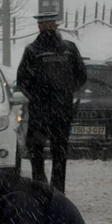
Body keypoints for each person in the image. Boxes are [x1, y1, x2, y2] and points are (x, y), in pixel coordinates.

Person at [17, 12, 87, 193]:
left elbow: (22, 82)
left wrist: (37, 97)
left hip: (40, 114)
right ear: (56, 25)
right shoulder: (69, 49)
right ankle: (57, 193)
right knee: (59, 156)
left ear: (39, 26)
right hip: (62, 112)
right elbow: (82, 76)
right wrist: (65, 93)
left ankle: (40, 191)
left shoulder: (32, 50)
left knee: (37, 154)